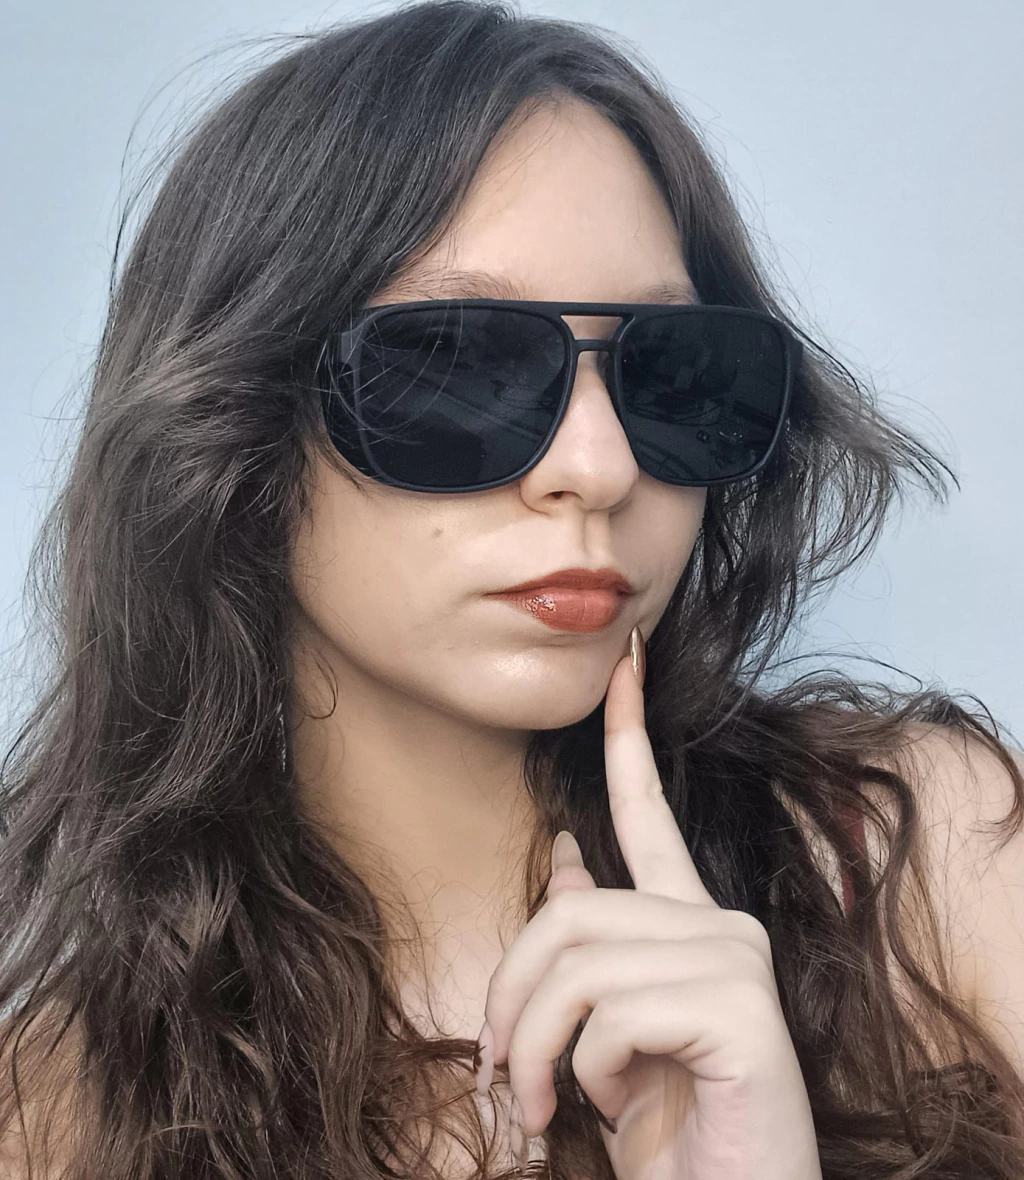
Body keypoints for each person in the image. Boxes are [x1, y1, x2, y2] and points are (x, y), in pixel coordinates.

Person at [1, 1, 1021, 1177]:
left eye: (671, 373)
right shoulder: (56, 1119)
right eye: (455, 368)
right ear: (235, 429)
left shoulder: (924, 865)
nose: (599, 466)